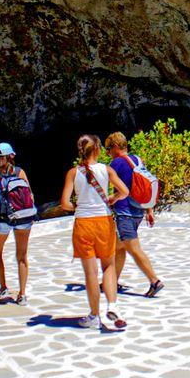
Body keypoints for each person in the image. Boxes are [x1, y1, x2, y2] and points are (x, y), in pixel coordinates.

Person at [59, 134, 129, 330]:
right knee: (108, 266)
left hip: (83, 224)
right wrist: (112, 198)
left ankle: (94, 315)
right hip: (104, 222)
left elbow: (64, 203)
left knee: (91, 272)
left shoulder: (73, 173)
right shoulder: (107, 170)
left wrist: (78, 207)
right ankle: (113, 305)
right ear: (97, 149)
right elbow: (124, 191)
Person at [104, 131, 164, 298]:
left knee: (134, 248)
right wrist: (149, 211)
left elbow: (105, 182)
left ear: (115, 147)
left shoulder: (116, 163)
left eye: (108, 148)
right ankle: (112, 282)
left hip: (125, 213)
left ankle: (154, 281)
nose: (108, 152)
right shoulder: (137, 159)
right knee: (118, 247)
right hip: (138, 210)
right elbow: (145, 185)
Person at [0, 142, 33, 305]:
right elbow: (30, 195)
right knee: (22, 256)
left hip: (2, 218)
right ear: (11, 156)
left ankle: (3, 286)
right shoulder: (20, 172)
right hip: (23, 217)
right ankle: (22, 294)